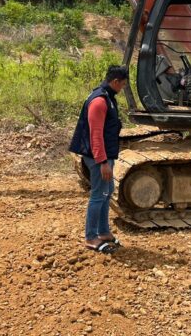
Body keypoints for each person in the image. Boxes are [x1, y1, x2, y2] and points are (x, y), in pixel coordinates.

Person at [69, 65, 129, 254]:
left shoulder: (107, 97)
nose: (123, 88)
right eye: (123, 84)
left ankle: (103, 232)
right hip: (98, 157)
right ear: (115, 82)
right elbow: (96, 135)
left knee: (107, 190)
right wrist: (102, 162)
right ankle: (91, 237)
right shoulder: (99, 101)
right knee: (98, 195)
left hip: (104, 155)